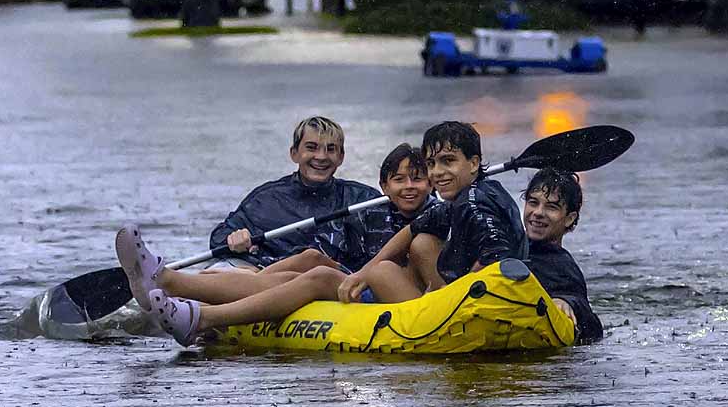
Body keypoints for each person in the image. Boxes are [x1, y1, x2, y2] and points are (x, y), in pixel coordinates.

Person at [116, 145, 434, 345]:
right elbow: (346, 252)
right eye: (399, 180)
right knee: (309, 258)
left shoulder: (434, 213)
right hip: (365, 280)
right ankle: (171, 287)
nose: (409, 187)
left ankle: (187, 300)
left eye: (417, 179)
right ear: (384, 185)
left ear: (430, 183)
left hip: (391, 296)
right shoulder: (374, 205)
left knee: (315, 278)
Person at [336, 121, 528, 304]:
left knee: (381, 273)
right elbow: (413, 228)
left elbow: (496, 256)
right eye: (431, 164)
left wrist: (452, 297)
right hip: (471, 294)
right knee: (422, 243)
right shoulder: (468, 196)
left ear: (474, 163)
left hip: (493, 302)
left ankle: (425, 322)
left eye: (448, 161)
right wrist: (362, 272)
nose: (437, 172)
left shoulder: (474, 201)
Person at [207, 116, 381, 272]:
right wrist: (235, 239)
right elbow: (218, 238)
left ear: (341, 157)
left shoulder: (363, 199)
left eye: (330, 149)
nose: (321, 157)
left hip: (337, 285)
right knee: (218, 271)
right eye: (311, 148)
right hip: (268, 279)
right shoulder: (266, 199)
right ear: (294, 154)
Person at [520, 168, 604, 344]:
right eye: (533, 203)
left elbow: (591, 323)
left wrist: (565, 302)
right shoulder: (502, 246)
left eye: (551, 207)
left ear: (569, 218)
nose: (538, 212)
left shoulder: (563, 267)